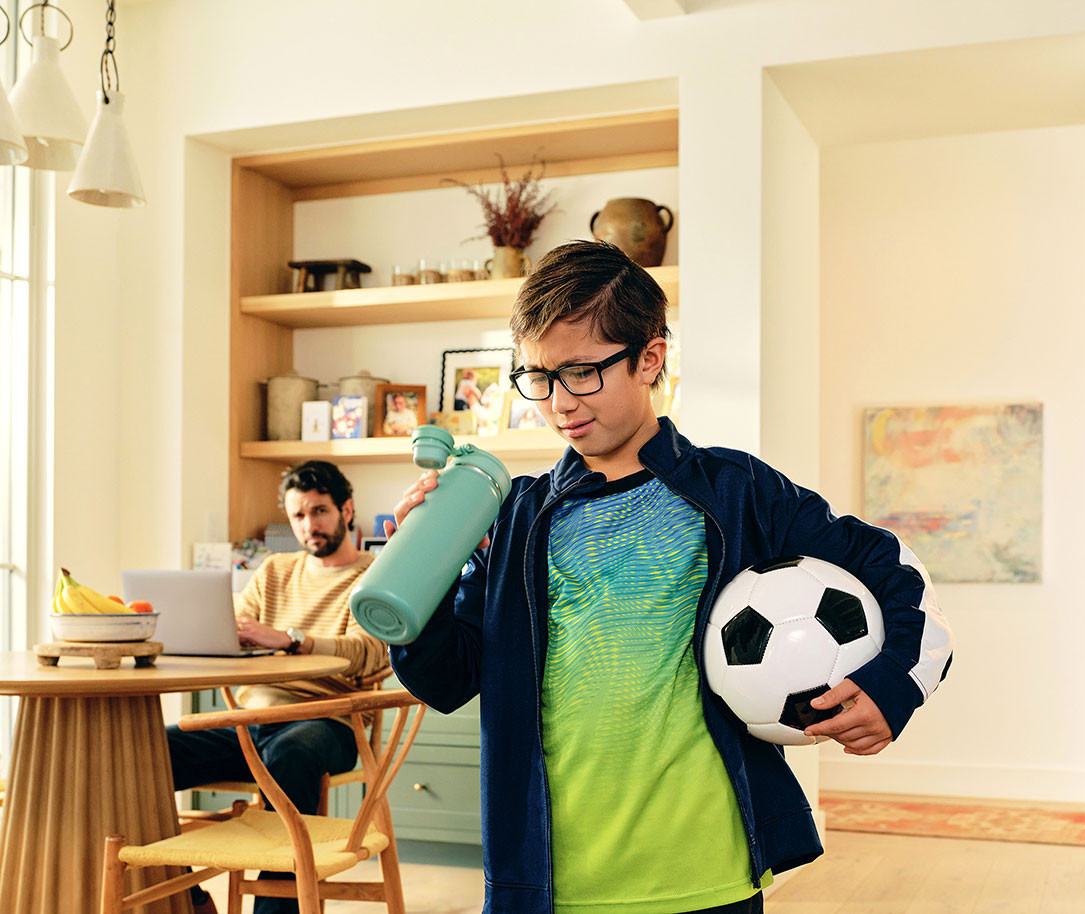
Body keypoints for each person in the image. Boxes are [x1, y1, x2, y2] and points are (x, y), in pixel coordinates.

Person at [385, 241, 954, 914]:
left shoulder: (737, 491)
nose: (560, 401)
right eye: (539, 377)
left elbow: (896, 571)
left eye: (583, 372)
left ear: (649, 359)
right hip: (547, 882)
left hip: (706, 872)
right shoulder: (516, 518)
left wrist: (893, 686)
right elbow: (448, 678)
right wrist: (420, 582)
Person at [167, 460, 389, 914]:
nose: (310, 525)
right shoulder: (273, 571)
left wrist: (290, 640)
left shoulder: (375, 574)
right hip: (251, 722)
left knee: (291, 754)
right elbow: (233, 626)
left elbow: (369, 653)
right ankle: (186, 898)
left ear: (347, 510)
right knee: (145, 752)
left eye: (320, 511)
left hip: (327, 722)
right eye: (299, 516)